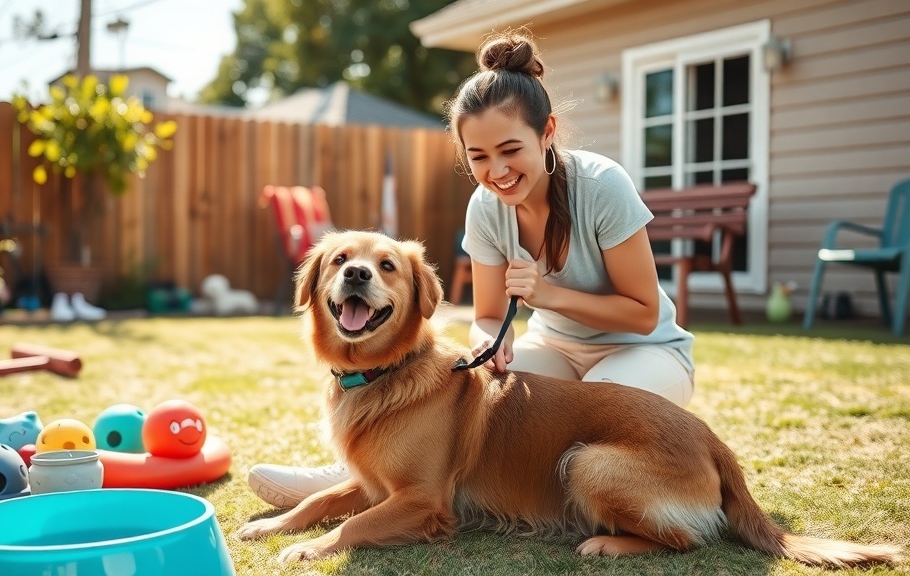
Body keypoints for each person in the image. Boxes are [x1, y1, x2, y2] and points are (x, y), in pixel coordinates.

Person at [247, 30, 695, 509]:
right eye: (478, 157)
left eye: (510, 150)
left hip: (645, 350)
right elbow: (487, 315)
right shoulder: (485, 207)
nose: (497, 171)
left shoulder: (602, 185)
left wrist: (549, 295)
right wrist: (490, 338)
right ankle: (370, 466)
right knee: (468, 400)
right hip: (559, 349)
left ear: (546, 133)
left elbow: (645, 314)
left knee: (590, 413)